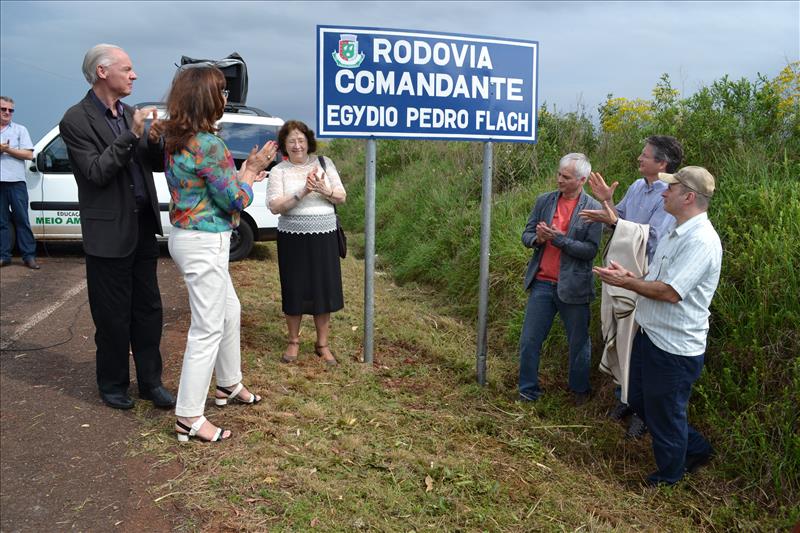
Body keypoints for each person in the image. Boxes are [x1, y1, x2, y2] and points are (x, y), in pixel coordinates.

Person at [160, 65, 277, 442]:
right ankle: (189, 417)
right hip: (205, 241)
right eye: (221, 91)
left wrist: (242, 174)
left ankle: (228, 384)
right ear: (205, 98)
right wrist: (251, 172)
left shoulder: (176, 137)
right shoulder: (210, 145)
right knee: (207, 327)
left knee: (230, 310)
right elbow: (235, 200)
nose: (226, 98)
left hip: (186, 235)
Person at [60, 44, 174, 410]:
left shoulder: (129, 114)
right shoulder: (76, 120)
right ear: (102, 72)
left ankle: (150, 382)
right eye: (127, 69)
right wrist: (131, 135)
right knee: (112, 316)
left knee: (148, 310)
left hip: (142, 227)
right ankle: (112, 384)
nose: (134, 75)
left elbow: (151, 164)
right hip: (108, 233)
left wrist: (155, 139)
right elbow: (95, 173)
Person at [594, 166, 721, 486]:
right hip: (650, 334)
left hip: (675, 348)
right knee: (636, 398)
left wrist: (629, 282)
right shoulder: (674, 230)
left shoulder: (701, 241)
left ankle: (668, 477)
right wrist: (631, 277)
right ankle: (695, 448)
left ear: (689, 197)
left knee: (665, 415)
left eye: (671, 189)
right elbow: (654, 277)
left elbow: (670, 291)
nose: (664, 193)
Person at [580, 135, 684, 438]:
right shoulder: (639, 187)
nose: (639, 159)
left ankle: (643, 413)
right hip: (623, 274)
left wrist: (612, 220)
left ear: (661, 163)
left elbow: (652, 238)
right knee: (621, 340)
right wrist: (605, 202)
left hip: (646, 279)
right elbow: (620, 219)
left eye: (645, 155)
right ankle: (625, 399)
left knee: (639, 347)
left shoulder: (669, 194)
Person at [518, 153, 603, 405]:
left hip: (574, 287)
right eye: (559, 174)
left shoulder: (594, 209)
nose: (559, 180)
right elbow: (526, 234)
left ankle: (579, 393)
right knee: (529, 340)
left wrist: (559, 239)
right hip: (542, 283)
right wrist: (539, 239)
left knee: (578, 343)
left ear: (582, 180)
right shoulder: (544, 201)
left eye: (566, 177)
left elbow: (590, 250)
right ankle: (527, 392)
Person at [267, 120, 346, 366]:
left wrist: (322, 188)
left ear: (308, 142)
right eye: (292, 141)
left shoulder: (325, 163)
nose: (297, 145)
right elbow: (274, 206)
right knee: (295, 287)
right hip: (293, 238)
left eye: (301, 140)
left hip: (325, 236)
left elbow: (341, 196)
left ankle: (322, 344)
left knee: (324, 288)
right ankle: (293, 342)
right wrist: (302, 192)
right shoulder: (279, 170)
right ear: (284, 145)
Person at [0, 96, 39, 269]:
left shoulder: (19, 130)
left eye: (10, 110)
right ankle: (4, 256)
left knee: (22, 220)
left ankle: (29, 256)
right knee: (1, 222)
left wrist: (8, 150)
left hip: (16, 182)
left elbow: (29, 155)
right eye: (3, 109)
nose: (7, 112)